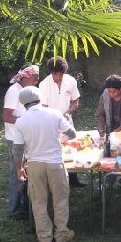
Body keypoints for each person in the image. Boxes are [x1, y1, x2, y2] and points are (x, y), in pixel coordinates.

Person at [12, 86, 77, 242]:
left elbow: (18, 150)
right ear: (40, 98)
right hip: (55, 162)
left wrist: (19, 169)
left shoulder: (21, 121)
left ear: (23, 103)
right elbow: (72, 134)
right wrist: (60, 136)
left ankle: (45, 237)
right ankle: (61, 233)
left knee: (38, 201)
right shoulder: (54, 113)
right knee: (60, 200)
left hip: (34, 164)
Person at [39, 56, 84, 187]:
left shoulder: (71, 81)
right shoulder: (43, 85)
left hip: (67, 121)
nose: (58, 77)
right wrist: (53, 120)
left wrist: (68, 112)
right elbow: (44, 108)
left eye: (61, 74)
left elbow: (75, 102)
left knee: (71, 147)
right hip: (50, 123)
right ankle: (57, 182)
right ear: (50, 72)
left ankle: (74, 180)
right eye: (55, 74)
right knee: (55, 150)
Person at [2, 63, 39, 219]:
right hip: (15, 139)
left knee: (26, 170)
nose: (37, 80)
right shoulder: (13, 91)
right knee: (17, 173)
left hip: (25, 137)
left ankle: (24, 205)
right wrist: (26, 121)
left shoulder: (25, 91)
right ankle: (14, 209)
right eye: (35, 77)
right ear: (26, 76)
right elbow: (7, 116)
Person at [96, 74, 121, 191]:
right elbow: (100, 114)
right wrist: (101, 127)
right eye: (109, 91)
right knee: (109, 155)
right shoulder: (104, 97)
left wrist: (119, 130)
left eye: (113, 92)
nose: (111, 94)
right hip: (110, 131)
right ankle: (108, 181)